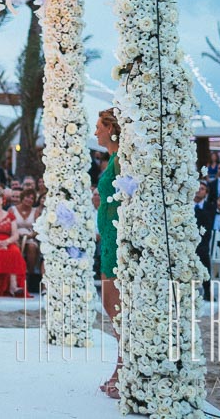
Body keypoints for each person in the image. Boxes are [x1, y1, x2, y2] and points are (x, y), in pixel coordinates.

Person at [94, 107, 123, 400]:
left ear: (111, 128)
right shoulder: (112, 159)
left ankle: (122, 370)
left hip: (116, 239)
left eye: (99, 127)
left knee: (116, 309)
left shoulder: (121, 159)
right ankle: (120, 367)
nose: (95, 132)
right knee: (110, 306)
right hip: (107, 237)